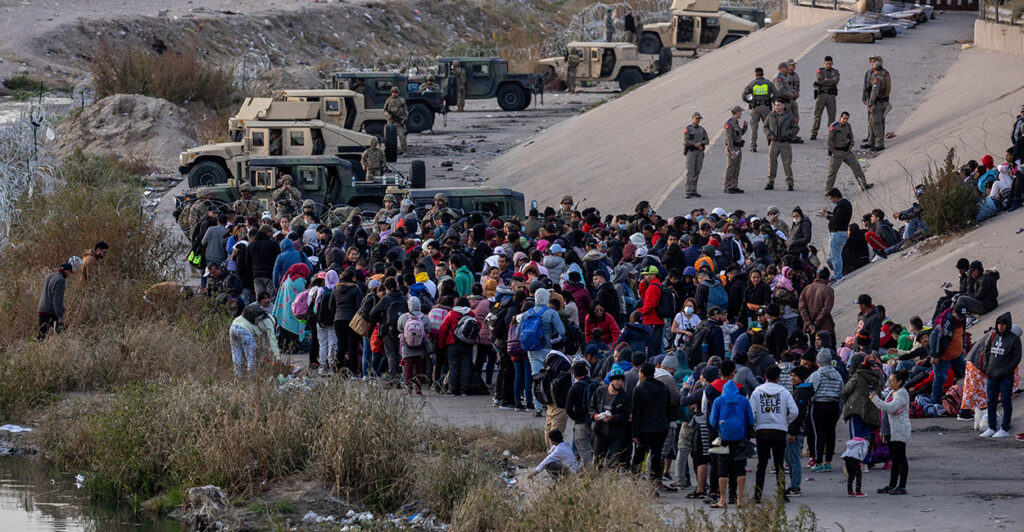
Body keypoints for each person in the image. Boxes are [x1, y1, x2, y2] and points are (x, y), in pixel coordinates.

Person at [749, 365, 798, 503]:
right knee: (779, 464)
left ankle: (758, 495)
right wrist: (785, 422)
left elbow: (751, 412)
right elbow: (794, 411)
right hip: (779, 431)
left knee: (762, 464)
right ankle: (781, 494)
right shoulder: (784, 392)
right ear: (778, 378)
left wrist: (755, 423)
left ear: (765, 376)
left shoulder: (757, 391)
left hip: (762, 430)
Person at [708, 378, 754, 509]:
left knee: (723, 470)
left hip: (723, 439)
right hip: (740, 440)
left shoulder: (719, 401)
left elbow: (712, 421)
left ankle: (722, 500)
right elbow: (750, 420)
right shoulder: (744, 401)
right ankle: (740, 499)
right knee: (740, 469)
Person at [519, 288, 566, 414]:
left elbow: (519, 332)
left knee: (536, 377)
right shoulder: (551, 313)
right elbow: (561, 331)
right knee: (550, 376)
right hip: (548, 349)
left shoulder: (527, 313)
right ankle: (550, 403)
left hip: (532, 350)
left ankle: (537, 407)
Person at [980, 312, 1021, 438]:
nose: (1001, 326)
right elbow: (986, 352)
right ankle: (992, 427)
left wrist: (1006, 371)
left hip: (1005, 377)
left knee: (1005, 402)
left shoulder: (1014, 340)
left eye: (1003, 324)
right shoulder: (993, 336)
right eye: (999, 323)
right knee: (991, 402)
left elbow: (1016, 358)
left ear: (1008, 325)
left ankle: (1004, 428)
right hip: (991, 375)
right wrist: (986, 368)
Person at [631, 363, 673, 485]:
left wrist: (635, 433)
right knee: (656, 455)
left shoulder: (639, 389)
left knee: (639, 455)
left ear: (642, 373)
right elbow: (668, 408)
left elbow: (636, 413)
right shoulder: (664, 387)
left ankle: (634, 479)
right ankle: (654, 482)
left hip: (645, 428)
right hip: (661, 427)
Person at [871, 369, 911, 494]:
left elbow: (891, 407)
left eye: (892, 381)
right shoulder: (893, 392)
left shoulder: (901, 394)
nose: (890, 383)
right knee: (894, 458)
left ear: (900, 382)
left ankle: (902, 486)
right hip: (890, 430)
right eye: (889, 380)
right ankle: (892, 485)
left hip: (899, 430)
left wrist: (875, 399)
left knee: (901, 458)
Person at [809, 348, 843, 472]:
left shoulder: (817, 374)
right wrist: (839, 409)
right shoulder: (837, 375)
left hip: (819, 405)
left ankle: (818, 462)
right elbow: (841, 394)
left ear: (818, 361)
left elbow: (812, 390)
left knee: (819, 434)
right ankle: (828, 462)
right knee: (831, 434)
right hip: (833, 406)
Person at [590, 366, 632, 466]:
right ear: (611, 380)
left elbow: (626, 415)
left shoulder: (625, 396)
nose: (620, 383)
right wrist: (595, 416)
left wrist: (613, 417)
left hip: (617, 434)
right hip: (601, 432)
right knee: (598, 461)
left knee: (614, 462)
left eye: (622, 380)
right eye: (617, 380)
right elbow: (591, 407)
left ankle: (610, 480)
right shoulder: (600, 391)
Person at [929, 304, 967, 407]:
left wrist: (962, 347)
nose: (961, 318)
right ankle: (936, 402)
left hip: (957, 354)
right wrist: (935, 355)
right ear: (953, 312)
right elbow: (934, 337)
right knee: (940, 379)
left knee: (968, 371)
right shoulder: (946, 322)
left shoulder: (962, 319)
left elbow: (962, 334)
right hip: (943, 357)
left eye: (962, 316)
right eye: (959, 316)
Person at [397, 296, 436, 395]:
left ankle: (408, 389)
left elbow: (399, 328)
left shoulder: (403, 317)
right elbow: (429, 329)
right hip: (421, 347)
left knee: (408, 369)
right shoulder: (424, 317)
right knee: (420, 369)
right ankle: (418, 390)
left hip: (407, 347)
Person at [230, 302, 280, 377]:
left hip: (233, 326)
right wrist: (278, 357)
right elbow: (273, 340)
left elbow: (263, 339)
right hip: (245, 330)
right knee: (251, 357)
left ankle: (237, 377)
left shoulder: (260, 315)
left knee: (236, 355)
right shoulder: (269, 322)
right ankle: (252, 379)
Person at [785, 365, 813, 497]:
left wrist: (793, 432)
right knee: (790, 458)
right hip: (796, 430)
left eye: (795, 376)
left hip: (796, 431)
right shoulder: (800, 391)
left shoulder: (801, 393)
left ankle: (795, 486)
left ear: (801, 378)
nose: (792, 378)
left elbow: (800, 414)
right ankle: (793, 485)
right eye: (791, 375)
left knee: (793, 458)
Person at [825, 112, 870, 192]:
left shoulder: (848, 126)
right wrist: (833, 151)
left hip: (846, 151)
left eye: (847, 119)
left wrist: (851, 143)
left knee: (856, 167)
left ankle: (863, 184)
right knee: (832, 172)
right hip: (837, 152)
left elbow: (851, 136)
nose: (845, 120)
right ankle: (828, 190)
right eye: (844, 118)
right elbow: (829, 140)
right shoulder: (834, 126)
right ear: (840, 118)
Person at [38, 258, 78, 340]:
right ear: (67, 271)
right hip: (50, 311)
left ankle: (36, 348)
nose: (69, 275)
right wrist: (60, 316)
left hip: (41, 308)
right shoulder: (61, 280)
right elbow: (57, 300)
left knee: (41, 335)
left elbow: (49, 295)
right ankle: (63, 347)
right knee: (62, 332)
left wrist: (62, 308)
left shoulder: (49, 276)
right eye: (70, 273)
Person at [763, 99, 798, 191]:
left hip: (784, 143)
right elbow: (765, 127)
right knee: (772, 163)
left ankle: (790, 183)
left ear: (783, 106)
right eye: (775, 105)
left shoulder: (790, 116)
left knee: (787, 164)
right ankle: (770, 183)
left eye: (778, 105)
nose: (776, 107)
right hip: (774, 143)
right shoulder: (771, 115)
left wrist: (787, 134)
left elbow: (795, 128)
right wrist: (769, 134)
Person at [742, 67, 779, 152]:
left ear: (755, 74)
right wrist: (771, 100)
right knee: (768, 126)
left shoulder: (752, 84)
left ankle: (753, 147)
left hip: (755, 108)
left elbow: (744, 95)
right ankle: (770, 144)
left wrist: (751, 101)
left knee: (754, 127)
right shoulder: (768, 83)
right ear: (763, 73)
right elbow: (777, 94)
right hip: (766, 107)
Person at [566, 361, 596, 465]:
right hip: (595, 422)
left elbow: (568, 409)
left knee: (584, 451)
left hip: (581, 424)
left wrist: (576, 418)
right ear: (587, 372)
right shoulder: (595, 385)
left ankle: (588, 475)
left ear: (574, 375)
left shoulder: (574, 388)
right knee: (595, 450)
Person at [638, 265, 666, 356]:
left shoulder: (652, 287)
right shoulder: (656, 285)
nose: (646, 277)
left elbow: (649, 305)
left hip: (652, 321)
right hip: (656, 321)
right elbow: (645, 299)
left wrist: (638, 312)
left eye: (647, 274)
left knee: (652, 349)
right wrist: (642, 286)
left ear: (654, 274)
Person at [799, 268, 835, 336]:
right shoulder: (828, 289)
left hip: (811, 329)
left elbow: (802, 308)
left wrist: (809, 323)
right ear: (827, 278)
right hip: (825, 328)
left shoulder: (806, 289)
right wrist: (815, 324)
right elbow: (826, 309)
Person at [863, 59, 890, 152]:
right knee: (871, 123)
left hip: (877, 104)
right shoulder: (883, 76)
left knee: (876, 123)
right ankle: (871, 142)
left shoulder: (877, 79)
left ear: (875, 69)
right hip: (881, 102)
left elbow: (874, 93)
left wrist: (870, 104)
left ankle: (879, 144)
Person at [810, 56, 839, 140]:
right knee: (817, 114)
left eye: (830, 64)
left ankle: (832, 133)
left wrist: (826, 80)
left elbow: (836, 81)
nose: (828, 65)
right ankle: (814, 133)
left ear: (832, 63)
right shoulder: (820, 70)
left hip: (831, 95)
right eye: (827, 63)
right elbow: (819, 80)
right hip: (821, 95)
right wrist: (830, 80)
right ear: (824, 63)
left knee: (832, 115)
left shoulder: (835, 72)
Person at [684, 112, 709, 198]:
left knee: (697, 171)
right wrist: (695, 145)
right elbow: (686, 141)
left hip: (700, 152)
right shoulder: (688, 129)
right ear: (692, 118)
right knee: (690, 172)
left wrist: (701, 143)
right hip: (691, 151)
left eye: (699, 119)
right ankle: (688, 191)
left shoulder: (702, 129)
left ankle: (694, 190)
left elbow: (707, 140)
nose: (698, 120)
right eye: (696, 118)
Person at [723, 106, 748, 194]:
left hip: (738, 147)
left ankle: (734, 185)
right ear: (736, 112)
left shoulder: (736, 123)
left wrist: (745, 127)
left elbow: (740, 133)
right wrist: (731, 150)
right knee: (730, 167)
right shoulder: (729, 123)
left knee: (737, 167)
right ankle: (727, 186)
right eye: (740, 112)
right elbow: (728, 138)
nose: (741, 113)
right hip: (733, 148)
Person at [383, 87, 408, 156]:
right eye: (393, 92)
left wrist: (403, 119)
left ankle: (404, 150)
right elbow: (384, 110)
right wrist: (388, 115)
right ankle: (390, 152)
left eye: (396, 92)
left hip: (399, 121)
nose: (394, 94)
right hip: (391, 121)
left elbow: (405, 111)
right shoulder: (388, 100)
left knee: (402, 136)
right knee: (389, 138)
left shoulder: (401, 100)